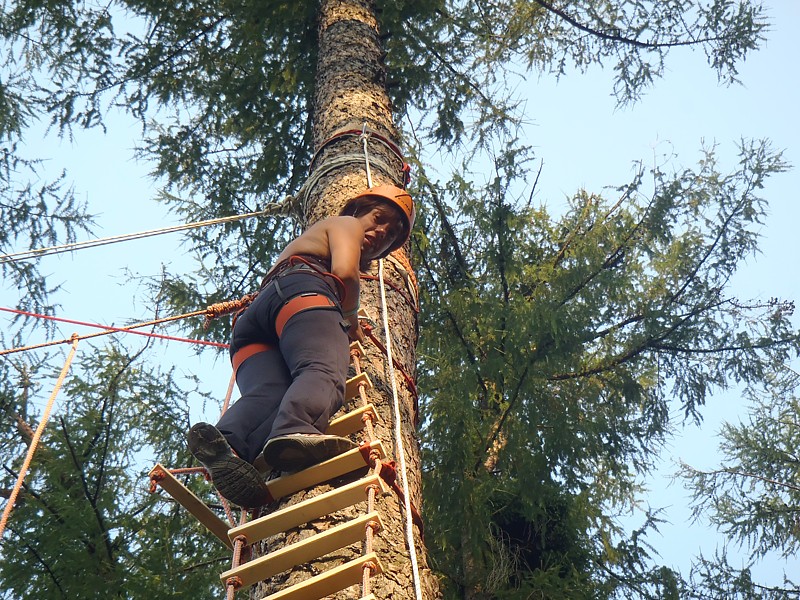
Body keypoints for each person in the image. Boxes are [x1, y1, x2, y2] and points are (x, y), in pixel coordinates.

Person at [187, 185, 415, 508]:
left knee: (271, 393)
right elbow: (345, 273)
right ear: (358, 209)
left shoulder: (314, 239)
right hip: (303, 293)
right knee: (322, 369)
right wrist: (349, 321)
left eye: (391, 235)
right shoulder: (346, 224)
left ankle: (232, 443)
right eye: (379, 219)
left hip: (256, 324)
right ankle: (295, 428)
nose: (381, 233)